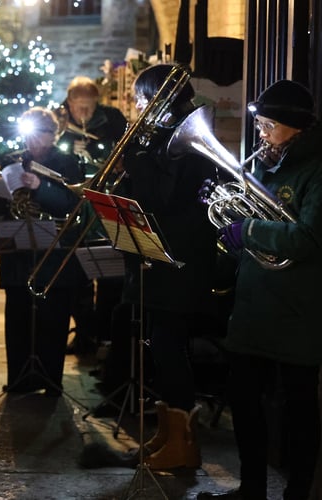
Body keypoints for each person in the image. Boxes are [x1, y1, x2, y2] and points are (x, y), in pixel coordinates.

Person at [197, 81, 322, 500]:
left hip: (299, 312)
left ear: (297, 129)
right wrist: (223, 206)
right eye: (261, 125)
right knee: (245, 402)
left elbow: (309, 239)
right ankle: (251, 489)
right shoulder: (271, 163)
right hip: (255, 306)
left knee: (299, 407)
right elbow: (253, 212)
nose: (262, 134)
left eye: (269, 126)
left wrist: (248, 229)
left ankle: (297, 494)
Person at [109, 63, 220, 469]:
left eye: (141, 97)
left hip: (180, 263)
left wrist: (135, 158)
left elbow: (166, 201)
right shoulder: (162, 137)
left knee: (171, 349)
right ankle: (168, 432)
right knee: (160, 346)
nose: (137, 105)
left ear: (159, 97)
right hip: (161, 261)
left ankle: (183, 444)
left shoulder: (188, 139)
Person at [0, 107, 91, 396]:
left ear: (52, 135)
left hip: (53, 255)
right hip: (19, 251)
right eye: (27, 134)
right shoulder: (12, 160)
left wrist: (40, 186)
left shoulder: (68, 163)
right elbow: (6, 203)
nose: (31, 142)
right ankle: (18, 378)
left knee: (53, 319)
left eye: (38, 134)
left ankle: (50, 379)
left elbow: (71, 203)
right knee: (17, 317)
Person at [55, 76, 129, 356]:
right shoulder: (60, 119)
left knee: (109, 275)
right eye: (79, 107)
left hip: (106, 202)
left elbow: (124, 153)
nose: (84, 113)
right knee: (76, 275)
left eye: (89, 107)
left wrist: (98, 153)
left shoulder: (112, 120)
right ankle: (85, 332)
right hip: (76, 207)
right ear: (70, 102)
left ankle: (105, 337)